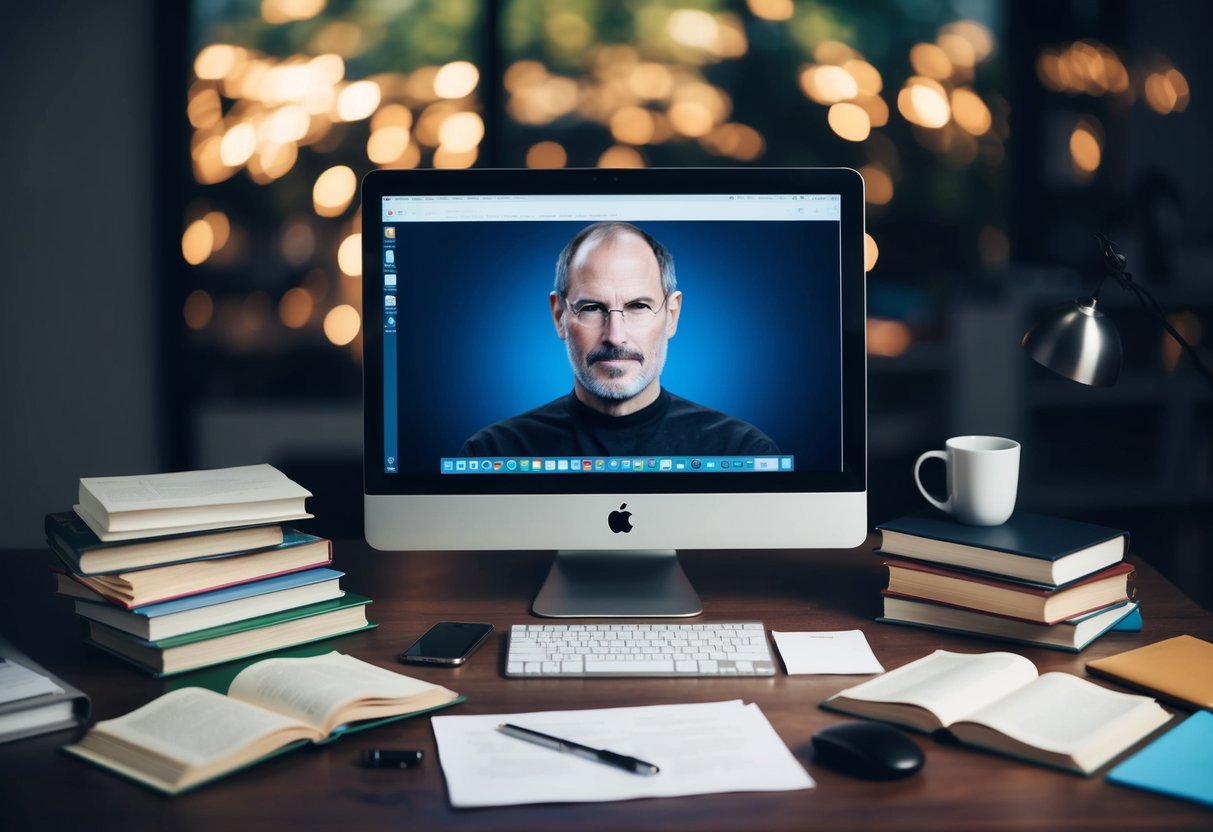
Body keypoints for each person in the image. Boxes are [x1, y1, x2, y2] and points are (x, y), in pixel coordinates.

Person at [459, 221, 779, 457]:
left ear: (671, 315)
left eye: (638, 306)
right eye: (592, 308)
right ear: (559, 317)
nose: (615, 336)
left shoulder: (742, 452)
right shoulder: (492, 453)